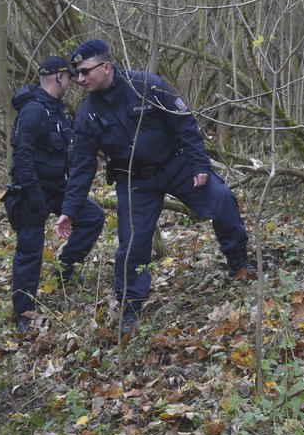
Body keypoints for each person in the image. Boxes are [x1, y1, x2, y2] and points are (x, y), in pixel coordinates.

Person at [56, 39, 253, 331]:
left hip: (177, 166)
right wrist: (70, 210)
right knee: (132, 240)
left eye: (85, 72)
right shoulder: (88, 114)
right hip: (134, 180)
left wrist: (200, 165)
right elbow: (82, 165)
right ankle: (130, 306)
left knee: (222, 199)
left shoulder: (147, 85)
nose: (80, 79)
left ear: (107, 67)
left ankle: (238, 262)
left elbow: (185, 123)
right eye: (78, 73)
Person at [4, 55, 105, 332]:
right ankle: (24, 312)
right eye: (70, 77)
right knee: (29, 252)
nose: (73, 81)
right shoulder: (33, 110)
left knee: (93, 216)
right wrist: (33, 194)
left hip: (59, 189)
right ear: (60, 76)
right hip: (31, 192)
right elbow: (22, 153)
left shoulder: (58, 109)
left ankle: (66, 265)